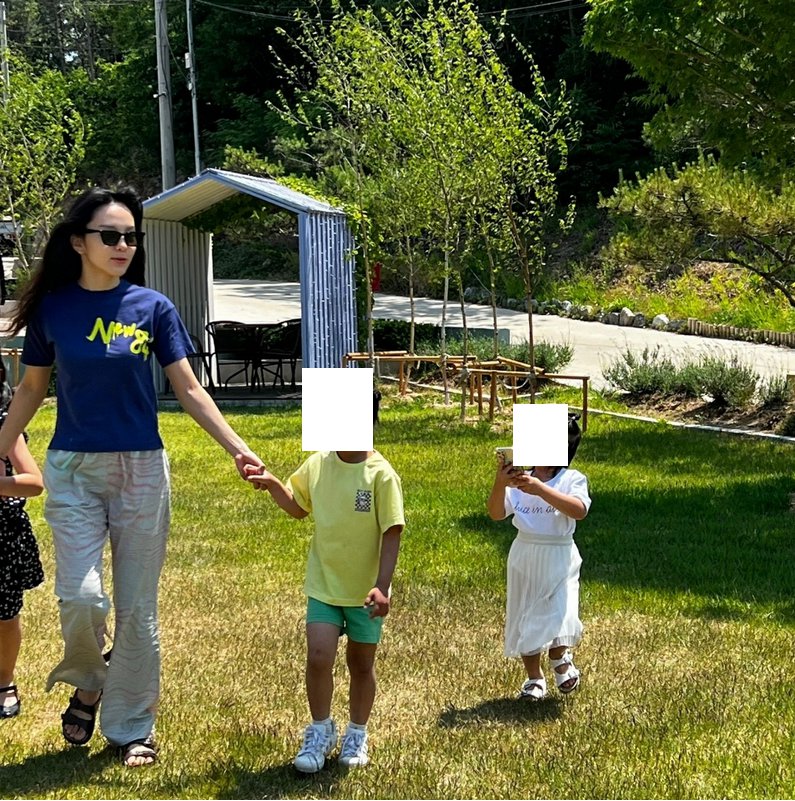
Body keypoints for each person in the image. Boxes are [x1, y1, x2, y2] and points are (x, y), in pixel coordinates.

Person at [0, 187, 264, 765]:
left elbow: (189, 388)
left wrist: (238, 449)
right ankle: (91, 679)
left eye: (130, 238)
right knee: (82, 598)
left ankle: (129, 727)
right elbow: (30, 389)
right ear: (79, 242)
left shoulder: (152, 307)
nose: (123, 246)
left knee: (138, 610)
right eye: (110, 236)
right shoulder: (54, 310)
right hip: (73, 469)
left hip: (142, 467)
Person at [246, 415, 404, 773]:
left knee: (361, 664)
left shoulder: (381, 475)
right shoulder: (319, 462)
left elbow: (392, 532)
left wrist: (382, 586)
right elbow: (298, 507)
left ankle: (357, 733)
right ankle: (320, 731)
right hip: (324, 586)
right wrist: (272, 484)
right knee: (318, 657)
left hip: (364, 593)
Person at [486, 414, 591, 701]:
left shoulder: (572, 478)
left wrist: (539, 489)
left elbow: (579, 510)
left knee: (561, 612)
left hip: (559, 553)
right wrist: (500, 482)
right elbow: (496, 513)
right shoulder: (519, 481)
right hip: (525, 553)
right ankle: (534, 676)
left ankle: (559, 657)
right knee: (525, 613)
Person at [0, 361, 45, 719]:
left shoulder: (5, 424)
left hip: (3, 535)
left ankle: (4, 680)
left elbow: (34, 482)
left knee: (5, 618)